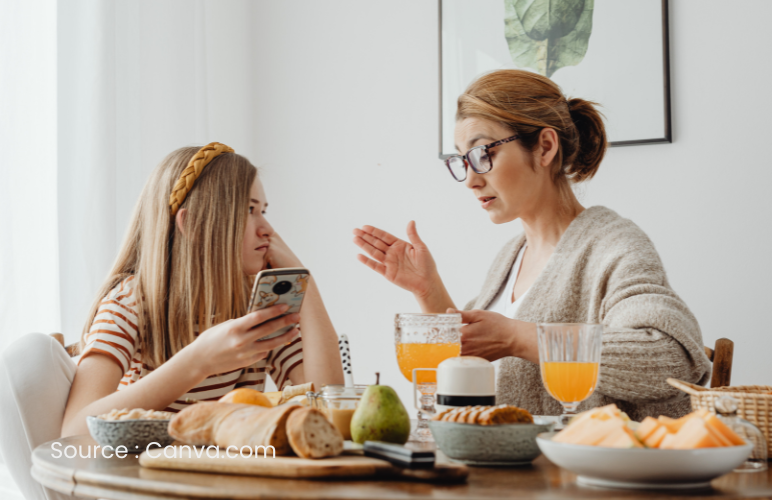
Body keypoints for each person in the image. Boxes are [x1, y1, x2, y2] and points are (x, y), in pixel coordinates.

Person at [353, 70, 711, 420]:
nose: (471, 180)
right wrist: (429, 289)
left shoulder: (613, 247)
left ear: (545, 147)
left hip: (583, 458)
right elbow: (468, 364)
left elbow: (672, 359)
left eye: (482, 154)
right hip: (501, 456)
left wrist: (518, 338)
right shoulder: (511, 256)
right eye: (463, 160)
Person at [60, 143, 343, 437]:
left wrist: (304, 280)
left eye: (263, 211)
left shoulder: (257, 304)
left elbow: (328, 409)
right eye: (250, 210)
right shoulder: (129, 303)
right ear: (194, 223)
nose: (267, 229)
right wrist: (198, 361)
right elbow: (73, 433)